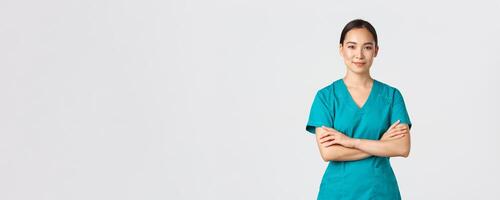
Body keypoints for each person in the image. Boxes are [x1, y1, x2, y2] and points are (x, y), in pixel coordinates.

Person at [305, 19, 412, 200]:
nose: (359, 55)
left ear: (376, 51)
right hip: (338, 192)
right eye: (352, 47)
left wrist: (349, 141)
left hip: (380, 191)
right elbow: (329, 152)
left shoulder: (391, 96)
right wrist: (381, 144)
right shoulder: (326, 97)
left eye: (367, 47)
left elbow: (402, 148)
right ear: (341, 49)